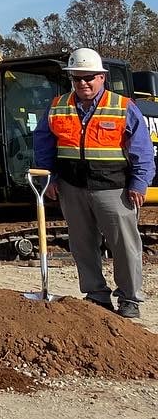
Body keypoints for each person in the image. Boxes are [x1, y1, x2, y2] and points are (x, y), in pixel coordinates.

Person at [33, 48, 154, 319]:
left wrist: (139, 183)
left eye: (89, 77)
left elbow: (142, 150)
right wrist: (49, 177)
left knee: (124, 245)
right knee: (82, 244)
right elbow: (43, 144)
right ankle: (96, 295)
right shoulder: (57, 106)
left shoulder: (122, 107)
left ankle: (129, 298)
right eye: (77, 78)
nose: (83, 83)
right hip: (72, 187)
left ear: (102, 77)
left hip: (114, 188)